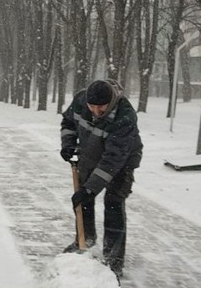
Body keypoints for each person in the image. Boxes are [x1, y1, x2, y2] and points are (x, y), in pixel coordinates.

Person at [59, 78, 143, 276]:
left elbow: (112, 160)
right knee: (82, 201)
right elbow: (68, 122)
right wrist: (68, 143)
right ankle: (84, 239)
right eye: (92, 107)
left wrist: (90, 189)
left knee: (113, 204)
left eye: (102, 108)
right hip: (89, 155)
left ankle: (113, 260)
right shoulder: (80, 101)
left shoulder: (125, 116)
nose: (96, 112)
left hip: (122, 162)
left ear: (111, 102)